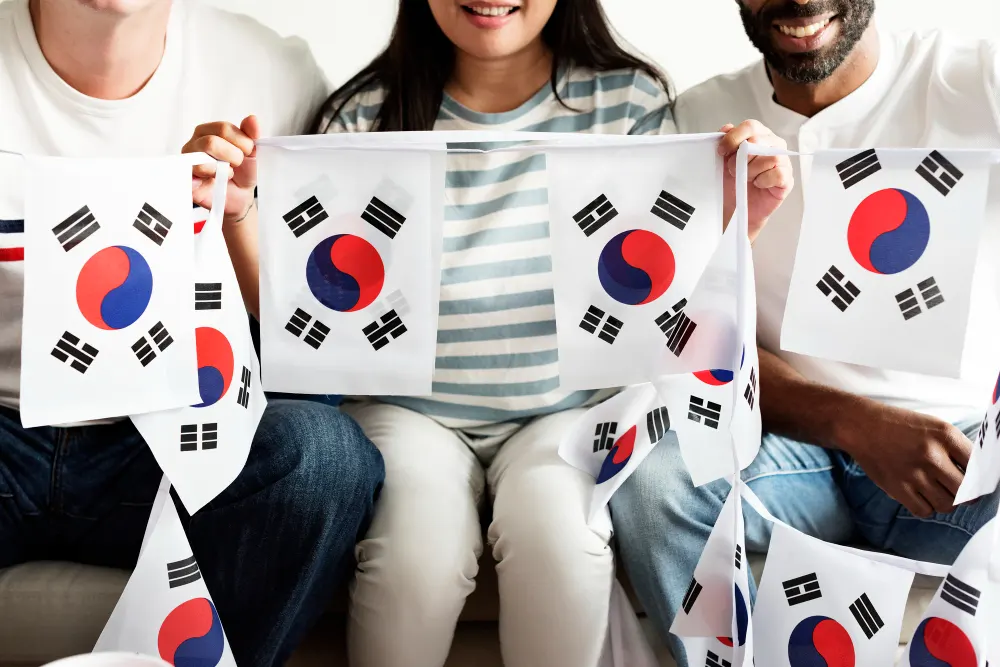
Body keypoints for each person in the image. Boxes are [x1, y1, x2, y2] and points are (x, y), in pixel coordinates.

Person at [192, 1, 794, 665]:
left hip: (566, 412)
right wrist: (238, 214)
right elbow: (296, 311)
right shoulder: (363, 114)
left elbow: (671, 291)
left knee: (562, 543)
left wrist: (745, 219)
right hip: (408, 412)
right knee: (413, 561)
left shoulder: (627, 101)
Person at [610, 1, 1000, 665]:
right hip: (790, 454)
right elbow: (674, 336)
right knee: (652, 481)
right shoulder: (698, 121)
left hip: (961, 456)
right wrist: (857, 423)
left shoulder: (976, 81)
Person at [0, 1, 385, 666]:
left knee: (321, 458)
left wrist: (236, 216)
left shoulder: (273, 73)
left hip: (167, 440)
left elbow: (321, 344)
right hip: (7, 431)